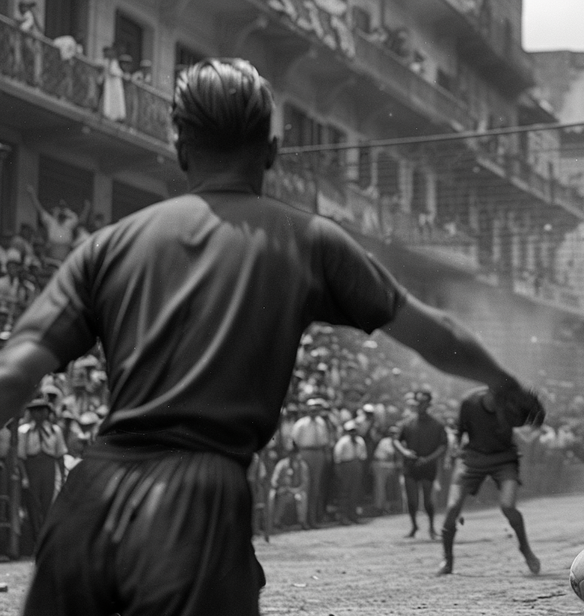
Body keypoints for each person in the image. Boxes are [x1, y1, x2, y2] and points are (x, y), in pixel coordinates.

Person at [0, 58, 543, 616]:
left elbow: (14, 373)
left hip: (90, 499)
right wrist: (504, 383)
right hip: (196, 501)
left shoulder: (107, 246)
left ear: (180, 147)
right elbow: (436, 334)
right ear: (272, 151)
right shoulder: (307, 240)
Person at [437, 386, 546, 576]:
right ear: (488, 391)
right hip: (472, 458)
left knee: (508, 506)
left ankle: (525, 549)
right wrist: (452, 451)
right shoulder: (469, 402)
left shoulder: (511, 405)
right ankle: (447, 558)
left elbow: (530, 422)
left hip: (504, 459)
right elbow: (459, 431)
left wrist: (533, 407)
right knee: (453, 507)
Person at [393, 389, 449, 538]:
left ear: (429, 404)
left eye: (423, 402)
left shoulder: (436, 424)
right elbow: (396, 440)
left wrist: (429, 458)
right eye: (418, 402)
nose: (420, 405)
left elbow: (443, 445)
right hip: (410, 465)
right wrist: (404, 452)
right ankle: (414, 526)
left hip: (428, 466)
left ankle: (431, 527)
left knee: (427, 500)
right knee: (412, 501)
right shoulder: (407, 423)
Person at [17, 397, 67, 548]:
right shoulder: (24, 431)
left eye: (42, 410)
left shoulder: (55, 431)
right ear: (31, 413)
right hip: (32, 468)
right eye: (35, 411)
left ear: (48, 412)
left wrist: (63, 476)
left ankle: (46, 541)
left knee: (47, 503)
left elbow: (60, 456)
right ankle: (35, 539)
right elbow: (20, 458)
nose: (39, 414)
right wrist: (24, 477)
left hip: (48, 468)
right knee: (33, 505)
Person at [290, 397, 335, 528]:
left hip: (318, 453)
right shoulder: (300, 424)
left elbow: (325, 440)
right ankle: (303, 520)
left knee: (316, 487)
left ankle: (313, 519)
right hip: (305, 452)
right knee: (305, 486)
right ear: (307, 410)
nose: (314, 412)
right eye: (312, 409)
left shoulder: (321, 422)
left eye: (317, 409)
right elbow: (294, 442)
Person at [332, 420, 367, 524]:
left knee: (355, 491)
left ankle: (353, 515)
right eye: (351, 431)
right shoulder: (343, 442)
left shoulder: (360, 441)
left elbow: (363, 456)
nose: (353, 433)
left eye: (354, 431)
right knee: (344, 491)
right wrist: (339, 471)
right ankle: (343, 516)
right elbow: (337, 458)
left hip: (356, 464)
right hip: (346, 465)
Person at [269, 442, 310, 531]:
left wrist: (295, 490)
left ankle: (302, 522)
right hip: (284, 490)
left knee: (301, 497)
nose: (293, 456)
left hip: (296, 491)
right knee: (281, 497)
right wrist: (279, 488)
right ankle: (276, 522)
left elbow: (304, 482)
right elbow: (274, 480)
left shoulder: (302, 465)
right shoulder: (282, 464)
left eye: (295, 453)